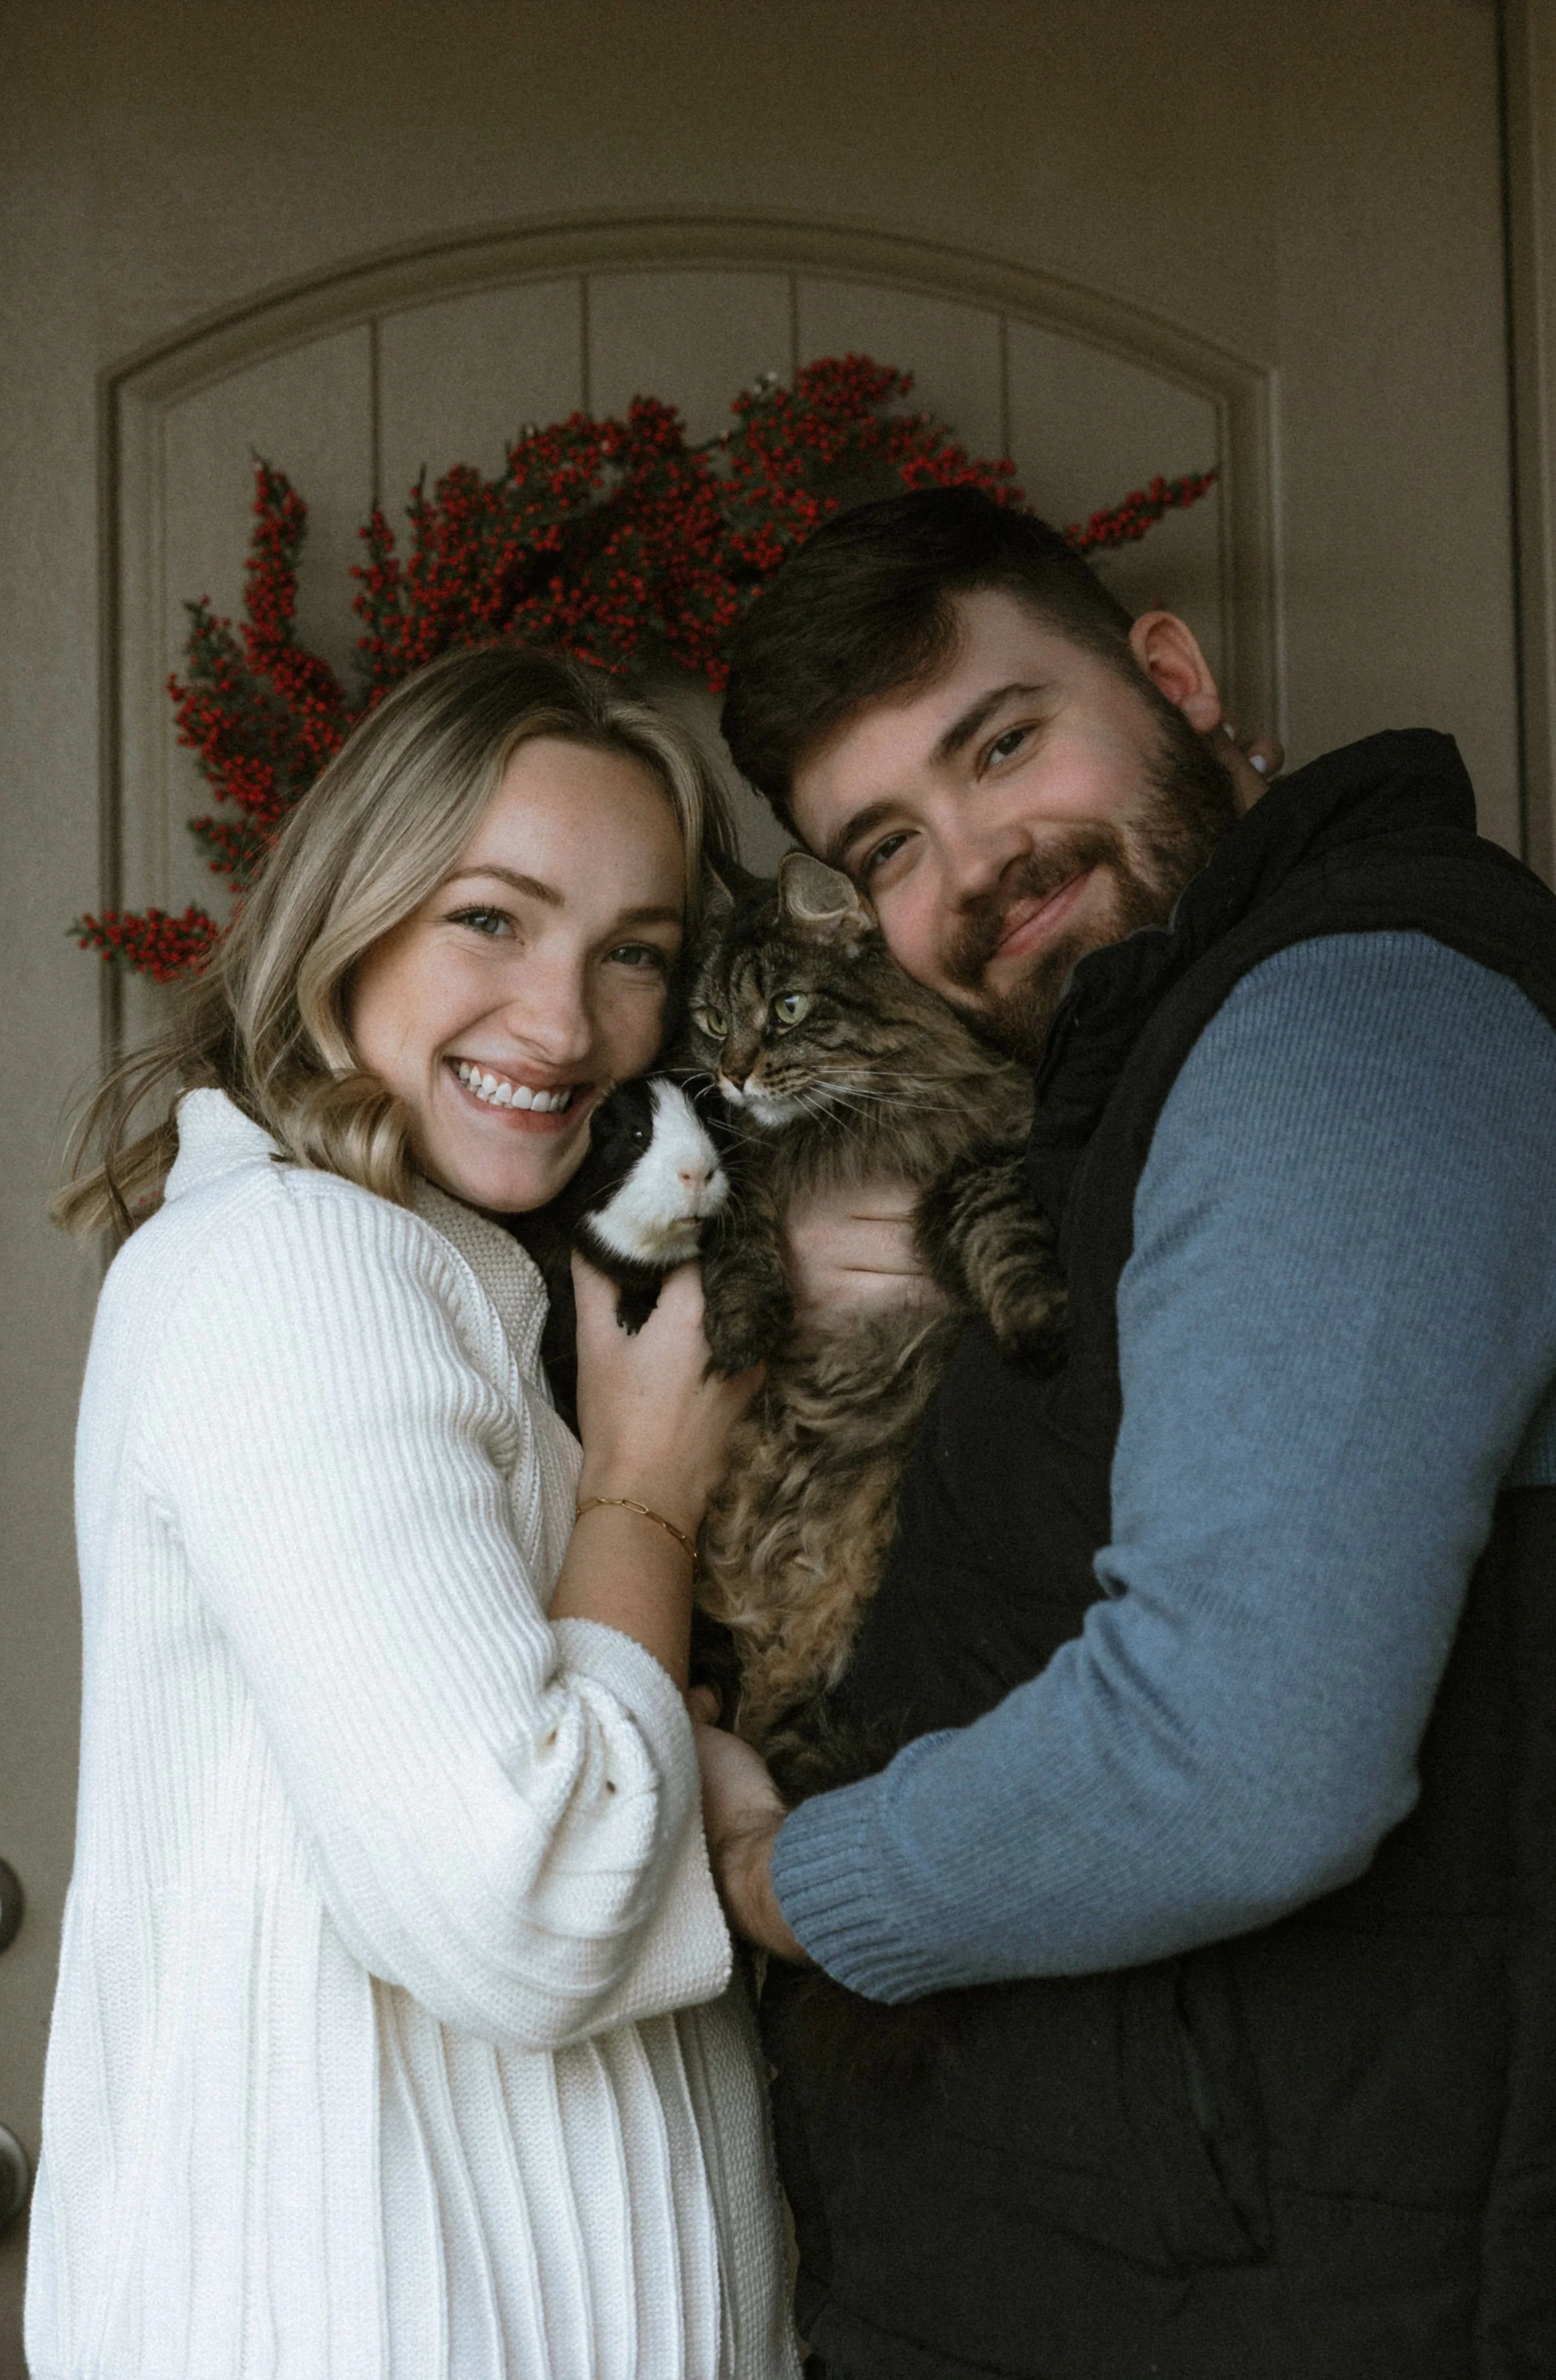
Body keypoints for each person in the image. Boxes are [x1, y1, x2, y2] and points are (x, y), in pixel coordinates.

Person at [692, 486, 1556, 2379]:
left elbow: (1239, 1757)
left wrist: (788, 1883)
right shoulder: (1151, 1077)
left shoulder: (1346, 1018)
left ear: (1171, 678)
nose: (977, 863)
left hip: (1309, 2306)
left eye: (1004, 744)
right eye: (889, 844)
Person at [31, 645, 800, 2380]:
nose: (565, 1023)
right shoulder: (303, 1271)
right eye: (491, 920)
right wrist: (645, 1486)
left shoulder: (452, 1287)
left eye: (635, 957)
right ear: (347, 919)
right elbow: (522, 1896)